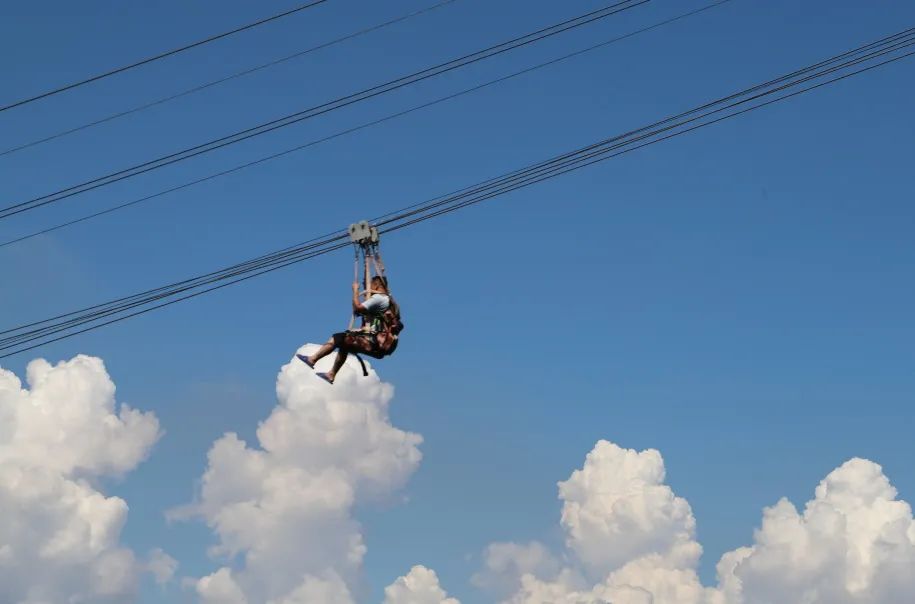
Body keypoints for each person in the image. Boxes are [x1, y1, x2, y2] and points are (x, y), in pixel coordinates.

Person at [297, 275, 396, 384]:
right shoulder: (386, 300)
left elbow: (357, 308)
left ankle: (313, 359)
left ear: (376, 285)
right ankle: (331, 374)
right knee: (345, 345)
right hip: (375, 343)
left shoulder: (379, 298)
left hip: (373, 342)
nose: (368, 288)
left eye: (370, 285)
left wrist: (355, 291)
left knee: (337, 338)